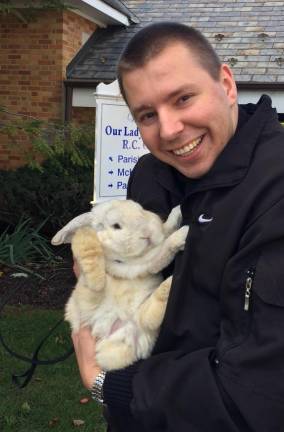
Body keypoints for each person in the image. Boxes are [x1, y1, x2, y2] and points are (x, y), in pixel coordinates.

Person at [72, 22, 284, 431]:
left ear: (226, 84)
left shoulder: (273, 195)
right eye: (147, 114)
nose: (169, 131)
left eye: (183, 98)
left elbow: (254, 397)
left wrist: (106, 384)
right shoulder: (150, 174)